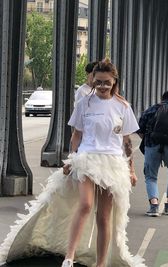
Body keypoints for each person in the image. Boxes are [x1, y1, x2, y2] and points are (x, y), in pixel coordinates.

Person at [0, 59, 146, 267]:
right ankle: (69, 257)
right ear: (92, 81)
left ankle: (101, 263)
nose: (103, 87)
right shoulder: (84, 103)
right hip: (86, 159)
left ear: (114, 81)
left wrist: (131, 170)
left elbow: (127, 141)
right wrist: (72, 158)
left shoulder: (122, 106)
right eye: (98, 82)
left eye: (107, 82)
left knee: (104, 216)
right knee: (86, 205)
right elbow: (76, 134)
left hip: (112, 163)